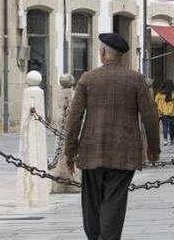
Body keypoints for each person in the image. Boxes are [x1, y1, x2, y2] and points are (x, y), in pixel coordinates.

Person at [63, 33, 160, 240]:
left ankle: (95, 236)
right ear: (121, 56)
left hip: (91, 151)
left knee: (91, 201)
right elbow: (150, 117)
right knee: (114, 200)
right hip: (124, 153)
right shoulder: (136, 80)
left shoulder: (88, 79)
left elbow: (74, 118)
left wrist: (69, 153)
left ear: (102, 53)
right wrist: (154, 149)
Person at [155, 80, 174, 146]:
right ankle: (172, 140)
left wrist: (159, 109)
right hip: (172, 114)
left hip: (163, 113)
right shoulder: (173, 94)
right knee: (171, 127)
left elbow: (155, 102)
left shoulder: (159, 94)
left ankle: (165, 140)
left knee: (165, 126)